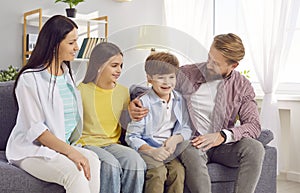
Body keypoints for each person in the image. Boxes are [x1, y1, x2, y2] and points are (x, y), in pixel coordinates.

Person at [129, 33, 265, 193]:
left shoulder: (242, 86)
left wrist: (222, 136)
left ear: (233, 66)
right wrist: (135, 101)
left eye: (215, 63)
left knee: (255, 148)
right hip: (191, 142)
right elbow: (157, 85)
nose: (208, 65)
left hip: (222, 145)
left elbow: (253, 126)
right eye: (209, 57)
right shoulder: (188, 73)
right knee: (189, 147)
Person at [5, 15, 100, 193]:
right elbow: (37, 131)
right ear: (55, 44)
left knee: (93, 160)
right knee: (75, 172)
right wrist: (70, 152)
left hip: (58, 146)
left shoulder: (66, 74)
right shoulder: (30, 79)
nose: (77, 48)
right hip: (31, 149)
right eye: (71, 43)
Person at [76, 42, 146, 193]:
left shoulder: (123, 92)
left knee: (136, 162)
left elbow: (126, 125)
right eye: (114, 65)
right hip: (87, 144)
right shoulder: (80, 90)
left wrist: (134, 113)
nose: (119, 70)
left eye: (121, 65)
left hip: (112, 144)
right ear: (99, 65)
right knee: (110, 165)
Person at [126, 52, 192, 193]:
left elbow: (186, 128)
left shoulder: (179, 100)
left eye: (171, 77)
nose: (167, 82)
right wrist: (152, 151)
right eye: (160, 78)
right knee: (158, 172)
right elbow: (132, 136)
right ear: (149, 79)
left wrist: (176, 139)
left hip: (168, 151)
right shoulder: (143, 103)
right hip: (147, 150)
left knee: (178, 172)